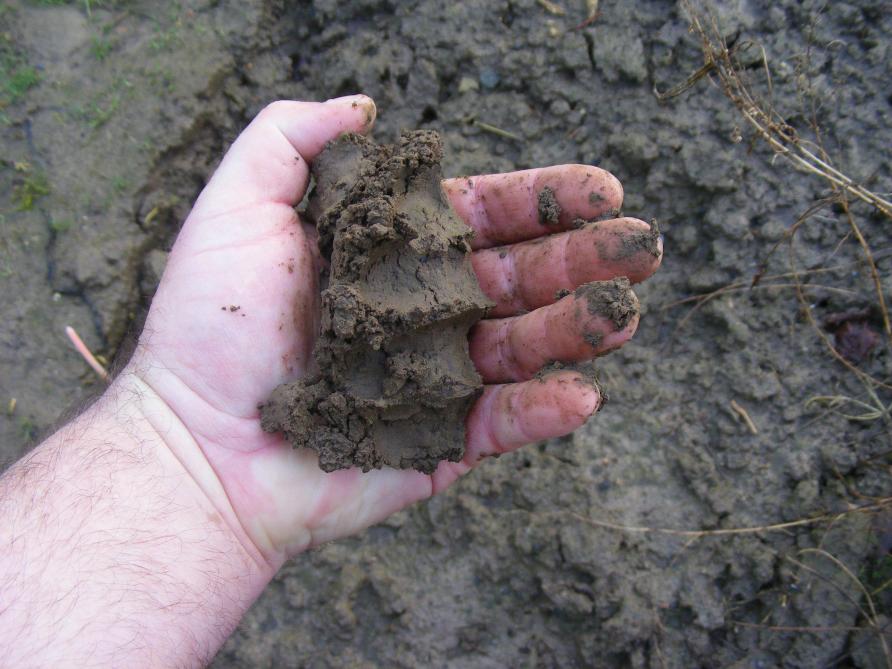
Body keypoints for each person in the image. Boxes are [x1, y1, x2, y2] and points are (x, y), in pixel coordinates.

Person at [0, 95, 661, 666]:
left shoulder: (393, 227)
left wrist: (182, 454)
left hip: (414, 408)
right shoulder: (345, 261)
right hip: (374, 410)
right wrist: (186, 444)